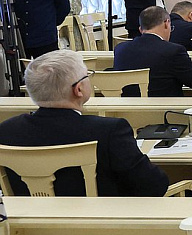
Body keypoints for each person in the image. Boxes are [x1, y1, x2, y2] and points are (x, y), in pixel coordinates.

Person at [0, 50, 171, 196]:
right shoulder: (110, 131)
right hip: (105, 230)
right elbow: (154, 186)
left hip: (27, 230)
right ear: (78, 89)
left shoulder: (6, 131)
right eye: (87, 75)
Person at [112, 6, 192, 97]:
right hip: (167, 116)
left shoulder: (120, 49)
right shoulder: (173, 51)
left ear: (140, 29)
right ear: (167, 24)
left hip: (128, 115)